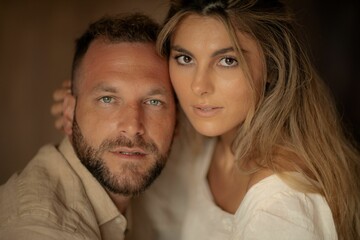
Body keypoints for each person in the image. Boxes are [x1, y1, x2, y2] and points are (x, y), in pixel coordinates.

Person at [52, 0, 360, 239]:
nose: (199, 86)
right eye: (185, 58)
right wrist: (89, 106)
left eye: (227, 60)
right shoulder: (199, 143)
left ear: (272, 67)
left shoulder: (282, 209)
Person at [0, 13, 176, 240]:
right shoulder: (43, 228)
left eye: (154, 102)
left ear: (177, 121)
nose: (133, 127)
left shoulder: (144, 201)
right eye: (107, 99)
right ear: (68, 112)